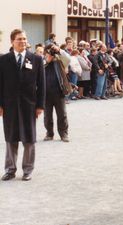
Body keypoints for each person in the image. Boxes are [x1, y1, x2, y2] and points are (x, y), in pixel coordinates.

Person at [0, 29, 45, 181]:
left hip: (29, 105)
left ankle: (27, 170)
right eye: (19, 39)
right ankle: (10, 170)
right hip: (9, 105)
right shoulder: (3, 60)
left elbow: (41, 85)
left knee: (29, 138)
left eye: (25, 39)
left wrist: (40, 105)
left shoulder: (36, 59)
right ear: (12, 41)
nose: (23, 42)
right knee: (11, 137)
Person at [43, 44, 70, 142]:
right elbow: (38, 69)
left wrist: (59, 50)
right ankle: (49, 134)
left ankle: (64, 134)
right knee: (47, 115)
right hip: (45, 93)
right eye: (49, 50)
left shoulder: (59, 60)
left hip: (59, 91)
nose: (51, 53)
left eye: (52, 50)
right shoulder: (41, 60)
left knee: (62, 114)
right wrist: (47, 60)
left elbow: (68, 60)